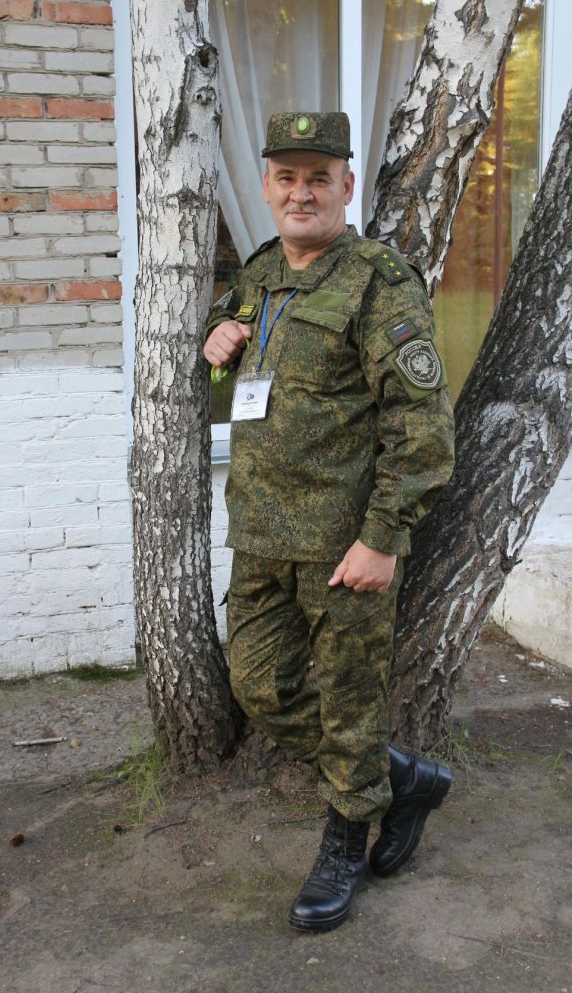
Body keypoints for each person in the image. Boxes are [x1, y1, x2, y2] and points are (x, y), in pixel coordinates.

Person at [203, 112, 456, 933]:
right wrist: (215, 339)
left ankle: (344, 845)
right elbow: (236, 383)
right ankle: (404, 780)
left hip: (343, 549)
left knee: (349, 705)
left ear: (347, 187)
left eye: (319, 178)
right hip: (259, 533)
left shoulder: (380, 281)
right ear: (266, 186)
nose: (301, 193)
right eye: (287, 177)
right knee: (259, 686)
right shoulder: (258, 273)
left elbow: (422, 426)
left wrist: (383, 538)